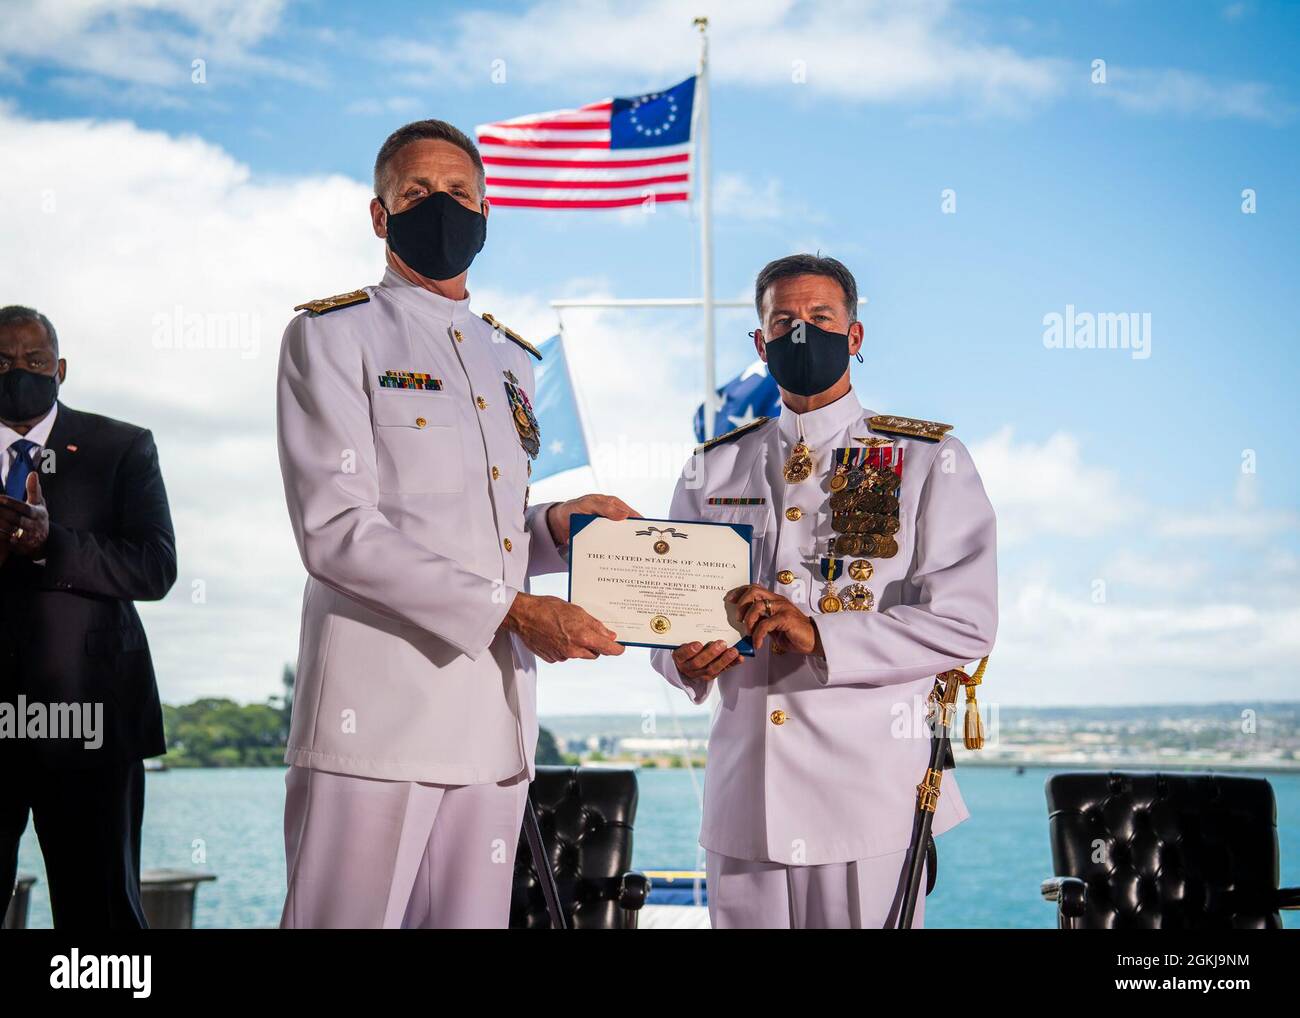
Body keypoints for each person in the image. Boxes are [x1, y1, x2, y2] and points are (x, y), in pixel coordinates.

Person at [276, 119, 633, 928]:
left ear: (485, 212)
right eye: (417, 193)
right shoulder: (332, 334)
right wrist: (516, 610)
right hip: (376, 718)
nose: (441, 206)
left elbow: (486, 528)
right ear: (380, 216)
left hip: (494, 719)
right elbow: (336, 530)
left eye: (459, 192)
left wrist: (559, 526)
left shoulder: (512, 359)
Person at [651, 254, 998, 928]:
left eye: (820, 317)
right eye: (783, 321)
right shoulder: (711, 468)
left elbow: (965, 623)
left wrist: (819, 633)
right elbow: (670, 614)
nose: (801, 332)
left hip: (866, 799)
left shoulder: (928, 460)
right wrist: (681, 660)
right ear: (761, 343)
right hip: (745, 800)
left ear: (855, 335)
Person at [0, 305, 176, 928]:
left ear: (61, 369)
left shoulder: (121, 446)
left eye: (35, 360)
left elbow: (155, 567)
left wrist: (52, 543)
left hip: (92, 723)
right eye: (2, 362)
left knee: (100, 918)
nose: (19, 372)